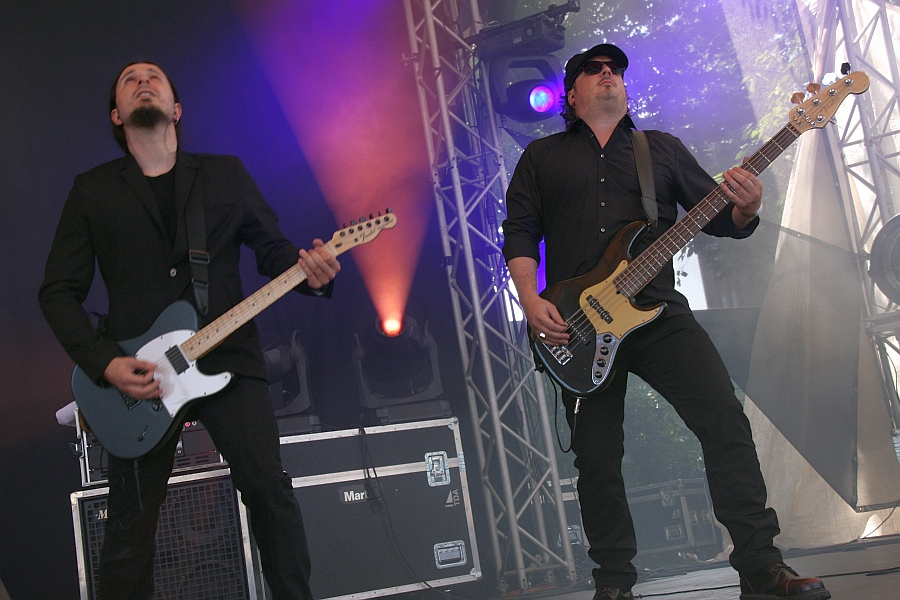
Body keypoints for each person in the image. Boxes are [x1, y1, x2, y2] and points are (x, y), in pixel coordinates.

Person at [502, 44, 831, 600]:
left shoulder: (660, 150)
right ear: (572, 94)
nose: (608, 75)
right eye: (594, 70)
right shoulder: (541, 157)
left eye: (615, 70)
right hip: (578, 328)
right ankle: (614, 584)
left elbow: (721, 217)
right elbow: (519, 231)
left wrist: (747, 206)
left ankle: (761, 566)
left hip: (658, 314)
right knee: (597, 457)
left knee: (724, 420)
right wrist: (531, 301)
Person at [38, 61, 340, 600]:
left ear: (176, 109)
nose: (143, 81)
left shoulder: (224, 175)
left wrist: (312, 273)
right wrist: (106, 363)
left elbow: (272, 250)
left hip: (227, 358)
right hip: (142, 377)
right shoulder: (94, 191)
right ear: (116, 116)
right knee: (131, 524)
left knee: (270, 493)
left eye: (154, 76)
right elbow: (57, 292)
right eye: (130, 79)